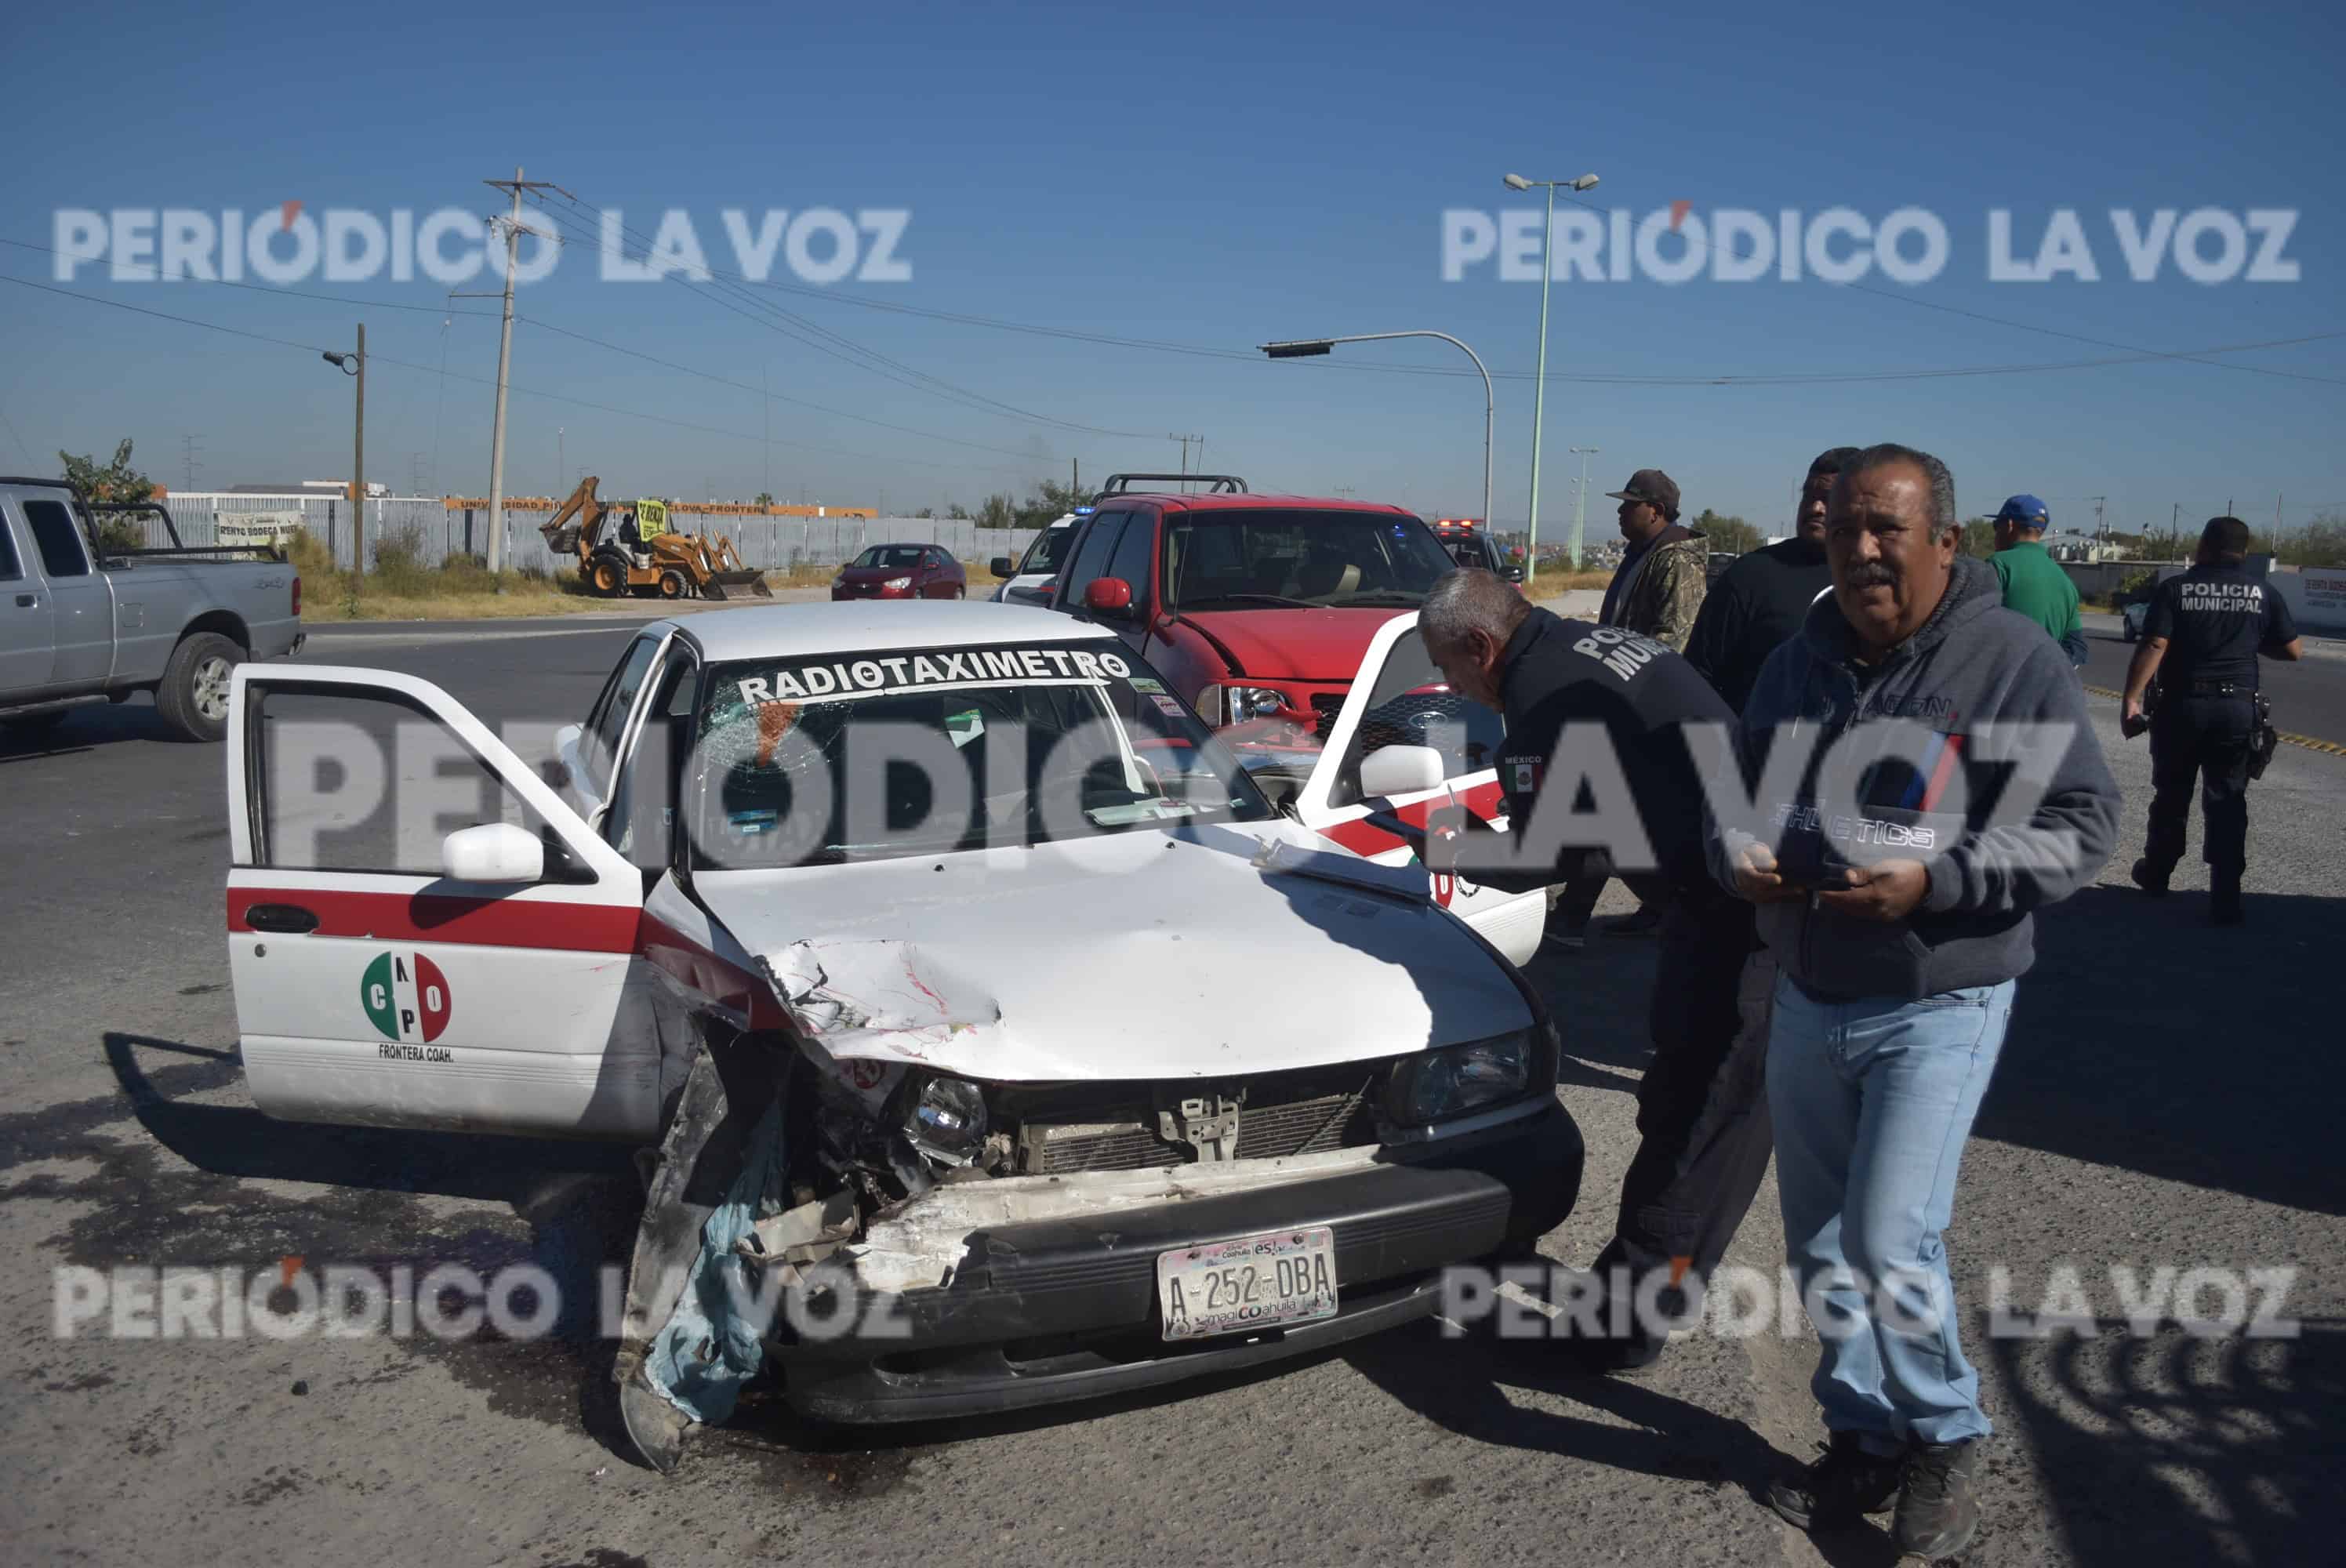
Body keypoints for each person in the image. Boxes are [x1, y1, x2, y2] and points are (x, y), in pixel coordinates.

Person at [1713, 444, 2119, 1560]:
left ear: (1947, 540)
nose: (1863, 549)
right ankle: (1864, 1433)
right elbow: (1737, 797)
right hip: (1808, 989)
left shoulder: (2010, 661)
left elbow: (2081, 827)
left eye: (1887, 527)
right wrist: (1738, 852)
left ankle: (1947, 1434)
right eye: (1845, 528)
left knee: (1893, 1242)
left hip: (1940, 998)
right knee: (1820, 1249)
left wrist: (1936, 880)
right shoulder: (1799, 662)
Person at [1416, 568, 1775, 1373]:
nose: (1451, 685)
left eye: (1448, 667)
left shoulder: (1544, 694)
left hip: (1735, 909)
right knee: (1710, 1115)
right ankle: (1649, 1296)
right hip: (1738, 888)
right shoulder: (1578, 644)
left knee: (1696, 1115)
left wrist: (1439, 844)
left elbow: (1552, 852)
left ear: (1480, 643)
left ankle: (1623, 1321)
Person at [1552, 469, 1709, 942]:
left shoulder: (1677, 560)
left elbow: (1674, 639)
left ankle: (1573, 918)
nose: (1620, 512)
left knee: (1608, 805)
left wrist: (1621, 679)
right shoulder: (1641, 554)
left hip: (1648, 705)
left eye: (1629, 505)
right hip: (1622, 698)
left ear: (1656, 511)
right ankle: (1661, 905)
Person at [2120, 515, 2301, 924]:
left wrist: (2131, 700)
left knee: (2171, 795)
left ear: (2203, 545)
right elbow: (2292, 650)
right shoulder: (2262, 593)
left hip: (2180, 708)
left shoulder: (2176, 589)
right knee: (2227, 800)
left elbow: (2155, 643)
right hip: (2237, 710)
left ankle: (2157, 873)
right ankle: (2225, 893)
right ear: (2244, 551)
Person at [1683, 447, 1858, 713]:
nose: (1815, 508)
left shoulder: (1877, 582)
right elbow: (1696, 679)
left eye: (1828, 498)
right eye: (1808, 496)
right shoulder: (1751, 574)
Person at [1987, 494, 2088, 666]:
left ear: (2009, 526)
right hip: (2043, 683)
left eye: (1996, 526)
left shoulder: (1997, 565)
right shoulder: (2065, 581)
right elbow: (2076, 647)